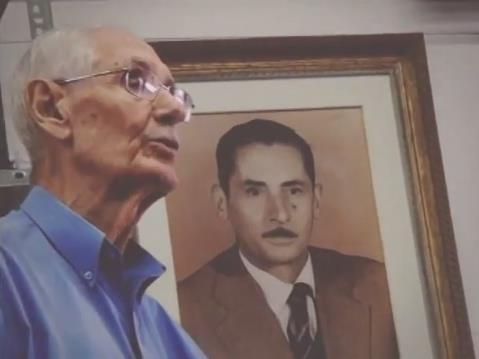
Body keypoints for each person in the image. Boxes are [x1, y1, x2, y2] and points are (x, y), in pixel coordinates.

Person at [0, 27, 206, 358]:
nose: (175, 109)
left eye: (175, 93)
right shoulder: (9, 275)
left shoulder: (160, 328)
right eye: (135, 81)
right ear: (50, 107)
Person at [178, 119, 399, 359]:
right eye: (254, 192)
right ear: (222, 203)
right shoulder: (184, 310)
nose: (280, 214)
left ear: (315, 201)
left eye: (294, 190)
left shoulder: (380, 287)